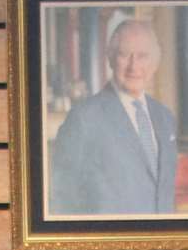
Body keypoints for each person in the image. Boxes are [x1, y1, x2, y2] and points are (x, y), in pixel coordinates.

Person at [46, 15, 180, 218]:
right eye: (124, 55)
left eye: (142, 56)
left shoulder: (165, 118)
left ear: (154, 63)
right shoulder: (84, 118)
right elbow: (61, 199)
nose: (134, 66)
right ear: (109, 58)